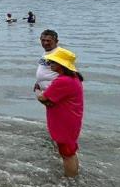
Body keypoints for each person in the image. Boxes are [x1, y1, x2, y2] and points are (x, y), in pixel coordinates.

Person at [36, 48, 84, 177]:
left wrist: (37, 91)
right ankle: (74, 176)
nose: (49, 64)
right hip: (71, 118)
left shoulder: (63, 81)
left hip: (64, 120)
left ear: (61, 65)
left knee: (66, 153)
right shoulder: (73, 78)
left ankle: (70, 180)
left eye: (53, 62)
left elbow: (43, 98)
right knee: (70, 150)